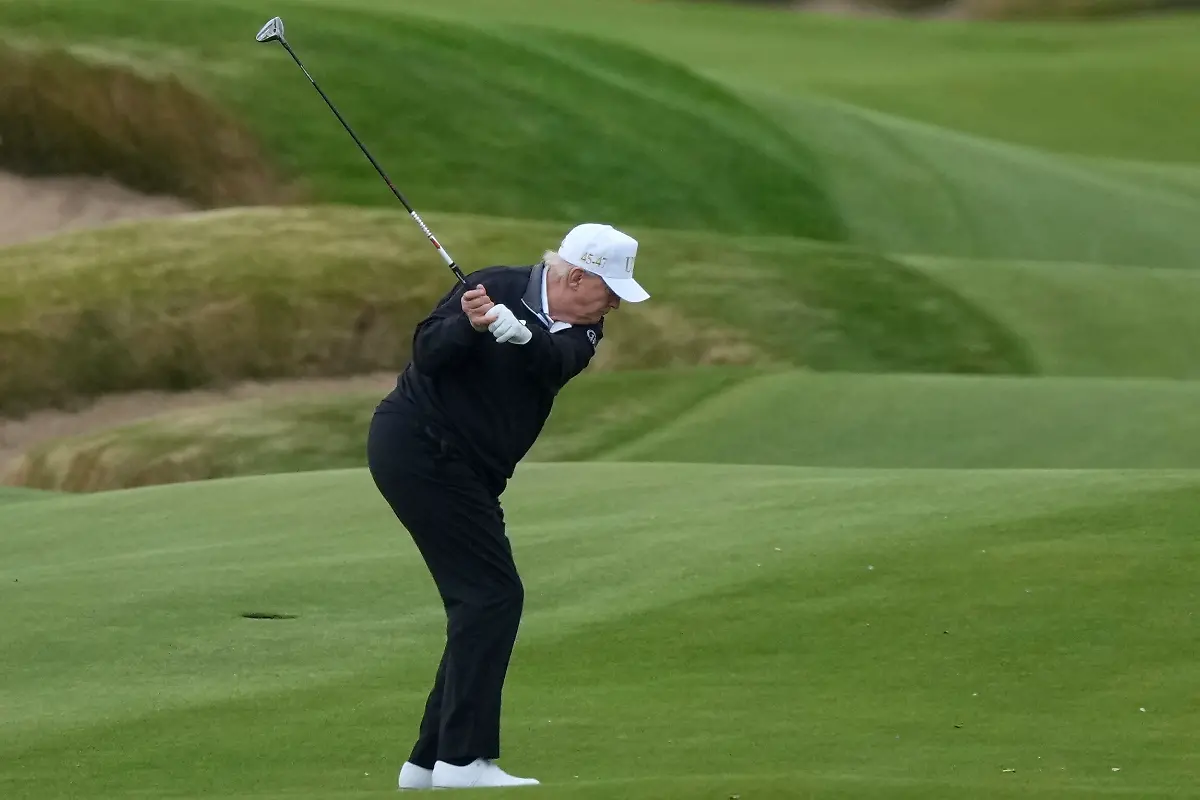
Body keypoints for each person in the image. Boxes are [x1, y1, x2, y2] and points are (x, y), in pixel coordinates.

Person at [366, 223, 650, 790]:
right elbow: (427, 353)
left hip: (471, 470)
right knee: (491, 596)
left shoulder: (585, 330)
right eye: (610, 289)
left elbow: (553, 361)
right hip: (421, 445)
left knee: (480, 600)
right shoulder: (491, 285)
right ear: (574, 276)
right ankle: (463, 761)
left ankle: (427, 764)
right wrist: (473, 327)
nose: (616, 302)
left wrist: (518, 335)